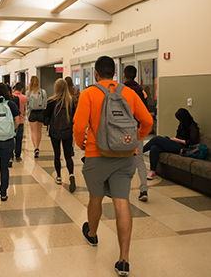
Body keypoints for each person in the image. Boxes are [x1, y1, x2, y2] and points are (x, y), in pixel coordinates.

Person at [73, 56, 153, 276]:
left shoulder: (89, 93)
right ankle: (124, 259)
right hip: (125, 154)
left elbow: (79, 126)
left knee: (95, 198)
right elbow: (147, 121)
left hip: (96, 154)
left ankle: (93, 235)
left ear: (96, 73)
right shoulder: (129, 92)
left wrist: (82, 144)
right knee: (122, 202)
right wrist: (135, 138)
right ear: (115, 74)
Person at [144, 108, 199, 180]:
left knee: (157, 139)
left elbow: (192, 142)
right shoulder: (182, 125)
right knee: (154, 147)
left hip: (183, 148)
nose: (179, 121)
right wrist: (173, 139)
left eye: (180, 119)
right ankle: (153, 172)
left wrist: (177, 140)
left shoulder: (193, 127)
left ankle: (138, 152)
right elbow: (178, 136)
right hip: (176, 143)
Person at [123, 65, 150, 201]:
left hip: (123, 131)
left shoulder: (120, 91)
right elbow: (145, 115)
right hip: (137, 130)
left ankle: (122, 191)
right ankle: (144, 189)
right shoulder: (142, 92)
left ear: (124, 75)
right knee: (140, 161)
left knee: (122, 160)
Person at [44, 78, 76, 192]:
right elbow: (74, 117)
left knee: (57, 154)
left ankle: (58, 176)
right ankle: (71, 174)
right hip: (67, 131)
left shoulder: (51, 101)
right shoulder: (70, 101)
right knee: (68, 156)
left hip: (55, 132)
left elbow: (45, 118)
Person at [26, 76, 47, 158]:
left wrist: (27, 114)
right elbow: (45, 103)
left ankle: (35, 147)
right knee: (39, 131)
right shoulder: (43, 92)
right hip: (41, 112)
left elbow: (27, 104)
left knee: (33, 131)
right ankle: (38, 146)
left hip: (32, 112)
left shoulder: (28, 92)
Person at [65, 76, 80, 156]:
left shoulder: (64, 92)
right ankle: (72, 147)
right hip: (75, 113)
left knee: (68, 130)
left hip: (67, 113)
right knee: (73, 132)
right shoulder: (76, 91)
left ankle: (68, 146)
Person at [12, 82, 27, 161]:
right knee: (19, 138)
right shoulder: (24, 97)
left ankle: (11, 154)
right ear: (22, 89)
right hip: (20, 121)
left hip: (12, 121)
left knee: (11, 138)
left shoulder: (10, 97)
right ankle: (18, 155)